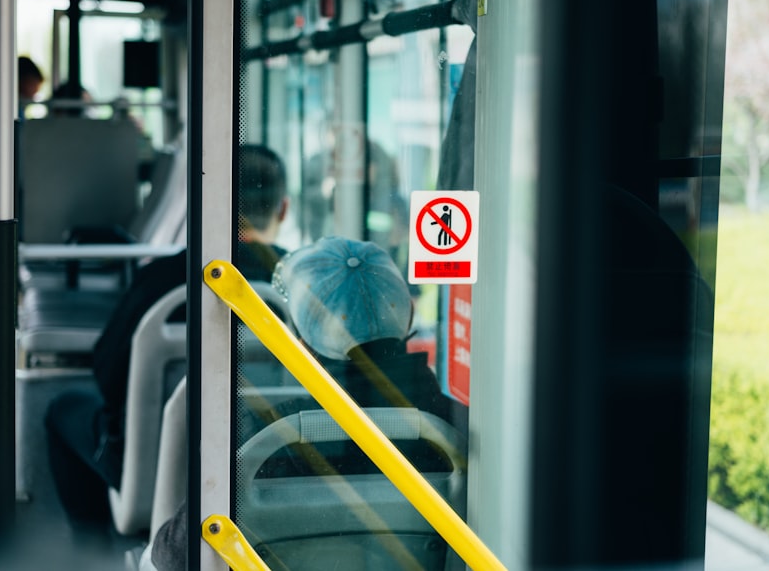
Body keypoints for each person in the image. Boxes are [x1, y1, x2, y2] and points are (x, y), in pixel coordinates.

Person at [147, 236, 468, 570]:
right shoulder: (458, 427)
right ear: (409, 313)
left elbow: (175, 556)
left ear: (301, 341)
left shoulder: (265, 437)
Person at [44, 144, 290, 524]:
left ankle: (92, 549)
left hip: (151, 468)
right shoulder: (295, 283)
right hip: (267, 466)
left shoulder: (164, 278)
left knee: (64, 409)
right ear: (283, 209)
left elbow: (108, 372)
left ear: (211, 203)